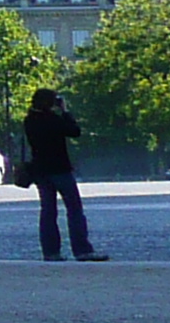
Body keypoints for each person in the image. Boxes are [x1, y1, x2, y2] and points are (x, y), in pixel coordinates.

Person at [21, 88, 108, 263]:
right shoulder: (53, 119)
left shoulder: (29, 120)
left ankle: (51, 252)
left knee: (48, 212)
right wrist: (65, 111)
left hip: (41, 171)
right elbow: (75, 131)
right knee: (74, 210)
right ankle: (82, 250)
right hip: (60, 169)